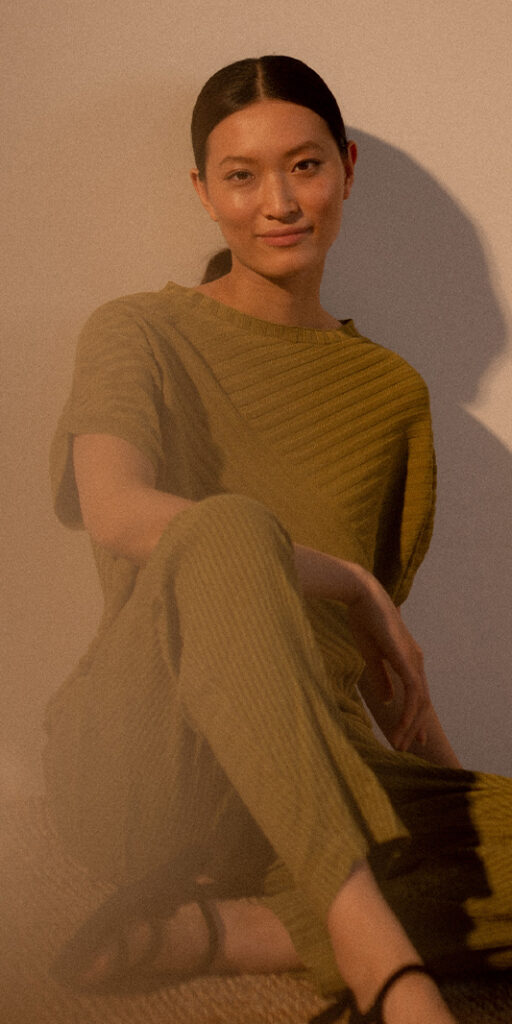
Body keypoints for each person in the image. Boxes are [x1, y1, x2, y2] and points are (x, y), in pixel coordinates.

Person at [45, 55, 512, 1024]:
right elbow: (118, 506)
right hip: (148, 764)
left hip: (314, 770)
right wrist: (346, 577)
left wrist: (448, 799)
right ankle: (387, 965)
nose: (277, 201)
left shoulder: (391, 395)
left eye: (302, 166)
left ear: (342, 167)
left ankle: (234, 931)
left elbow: (358, 667)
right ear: (202, 193)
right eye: (241, 175)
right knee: (225, 527)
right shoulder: (137, 331)